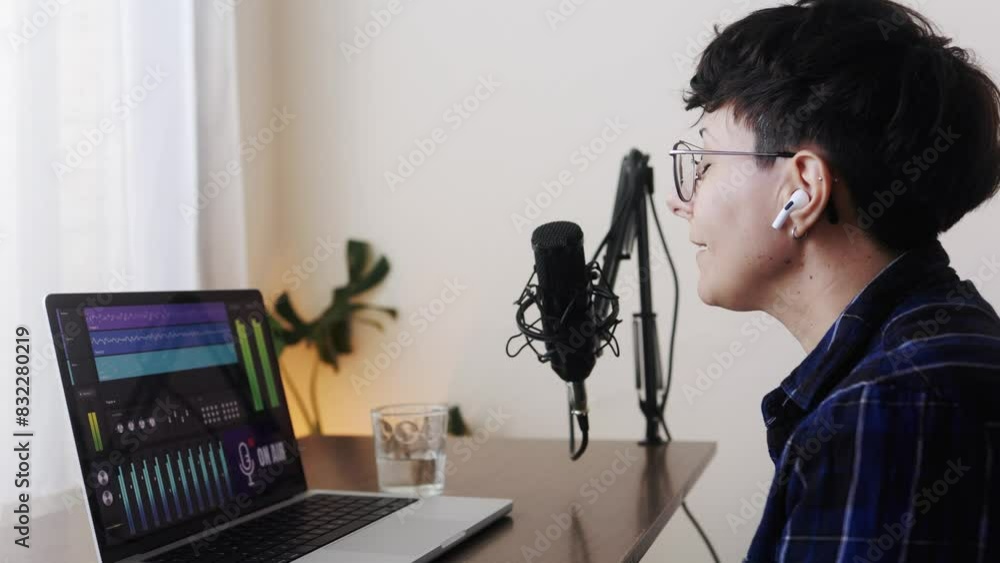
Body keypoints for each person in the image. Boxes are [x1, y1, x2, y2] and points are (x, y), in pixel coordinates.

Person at [665, 0, 1000, 560]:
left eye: (705, 163)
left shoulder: (889, 412)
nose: (681, 202)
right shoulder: (931, 352)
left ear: (802, 192)